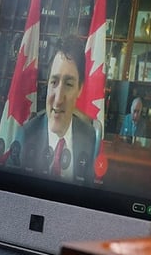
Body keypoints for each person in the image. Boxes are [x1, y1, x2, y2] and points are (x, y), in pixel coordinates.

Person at [18, 36, 97, 183]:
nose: (59, 99)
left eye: (68, 84)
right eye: (54, 82)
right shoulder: (26, 135)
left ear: (80, 89)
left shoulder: (90, 137)